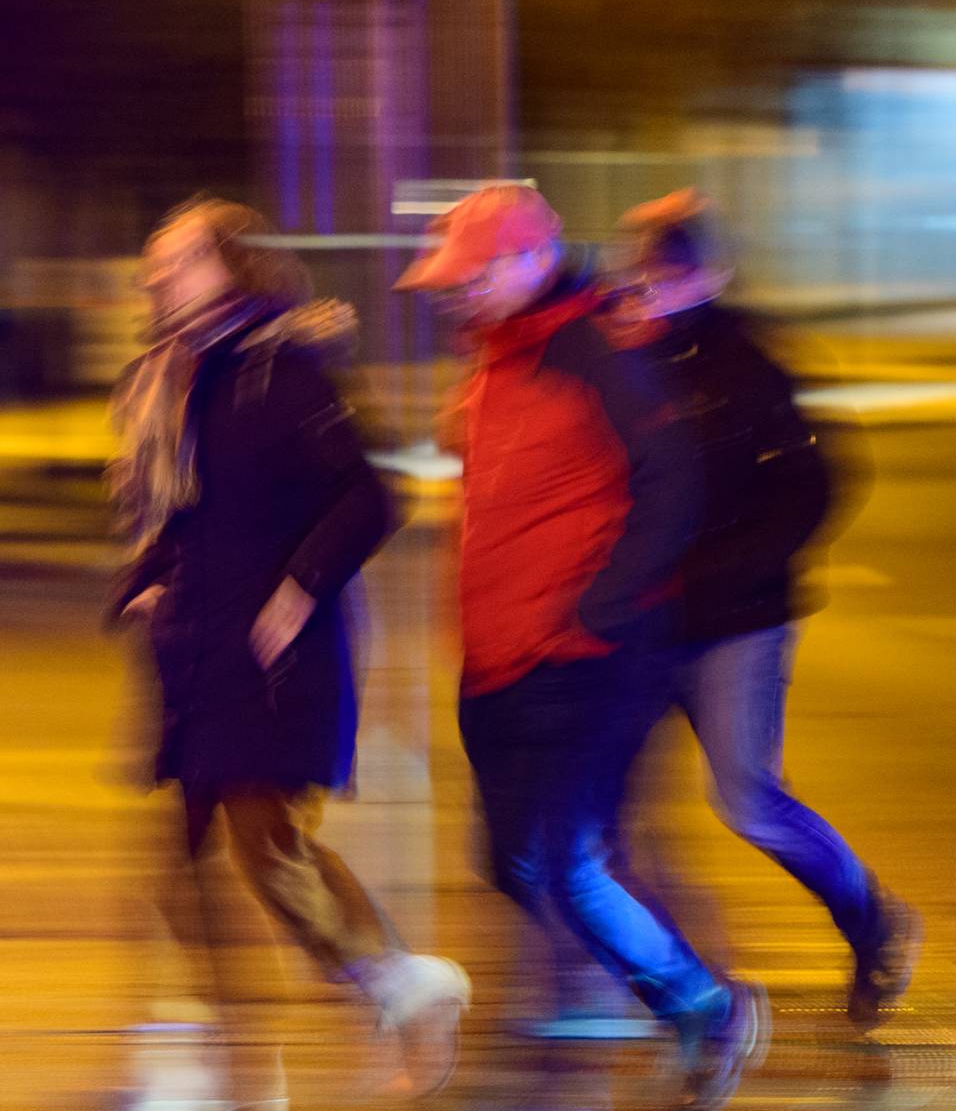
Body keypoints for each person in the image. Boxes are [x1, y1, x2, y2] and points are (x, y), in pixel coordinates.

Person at [396, 184, 764, 1109]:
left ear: (525, 262)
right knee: (511, 862)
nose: (458, 292)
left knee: (572, 862)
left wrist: (600, 606)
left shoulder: (601, 349)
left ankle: (707, 1010)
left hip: (591, 658)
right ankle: (653, 982)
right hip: (498, 666)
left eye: (472, 274)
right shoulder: (490, 362)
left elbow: (672, 481)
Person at [110, 198, 469, 1105]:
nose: (161, 275)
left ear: (233, 264)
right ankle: (242, 1052)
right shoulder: (175, 375)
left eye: (180, 259)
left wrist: (298, 589)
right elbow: (180, 518)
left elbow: (370, 497)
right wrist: (146, 581)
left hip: (273, 655)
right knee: (181, 865)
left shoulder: (284, 369)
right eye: (157, 261)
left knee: (265, 847)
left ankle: (396, 988)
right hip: (195, 648)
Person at [607, 189, 918, 1032]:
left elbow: (817, 484)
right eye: (645, 267)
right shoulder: (623, 356)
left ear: (711, 272)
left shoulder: (749, 361)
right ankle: (691, 992)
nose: (654, 285)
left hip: (736, 622)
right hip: (642, 619)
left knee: (746, 797)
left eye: (671, 270)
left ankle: (873, 924)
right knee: (607, 816)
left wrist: (739, 571)